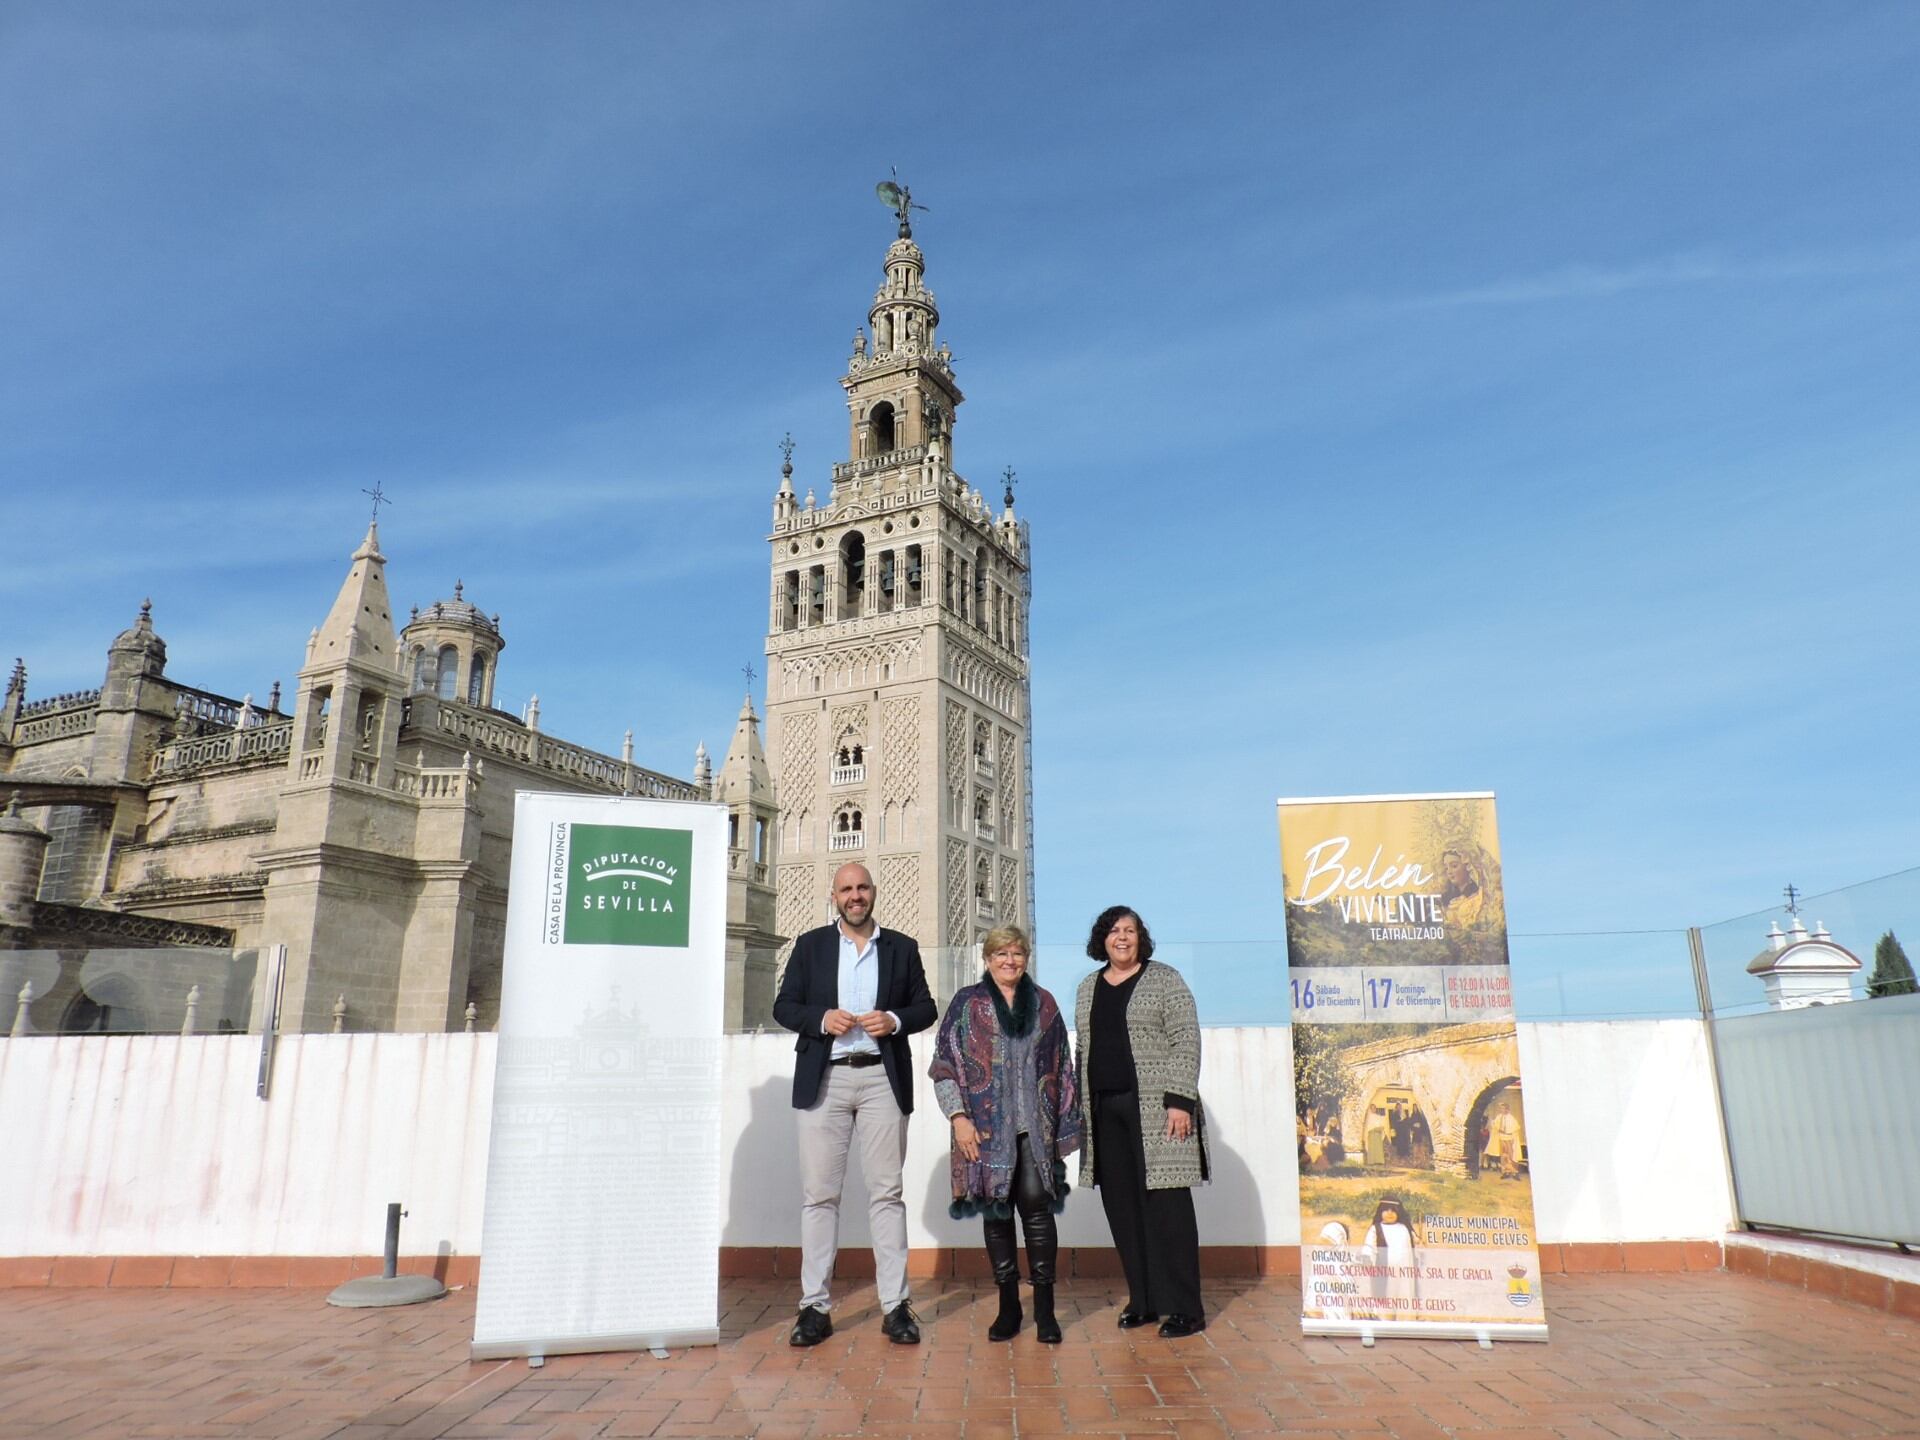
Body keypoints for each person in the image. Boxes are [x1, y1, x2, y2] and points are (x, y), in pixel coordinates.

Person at [771, 861, 937, 1347]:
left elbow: (925, 1006)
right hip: (826, 1078)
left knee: (887, 1194)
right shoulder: (811, 946)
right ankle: (814, 1307)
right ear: (835, 896)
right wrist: (822, 1019)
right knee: (819, 1196)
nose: (855, 895)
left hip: (882, 1080)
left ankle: (895, 1306)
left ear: (874, 892)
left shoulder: (902, 947)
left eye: (862, 887)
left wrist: (894, 1019)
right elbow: (784, 1006)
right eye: (846, 889)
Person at [928, 925, 1080, 1343]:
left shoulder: (1044, 1004)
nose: (1009, 960)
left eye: (1016, 953)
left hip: (1035, 1126)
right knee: (997, 1213)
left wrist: (1062, 1124)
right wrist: (958, 1117)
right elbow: (944, 1063)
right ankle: (1009, 1306)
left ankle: (1045, 1310)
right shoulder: (967, 1004)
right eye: (1000, 954)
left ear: (1026, 958)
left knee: (1036, 1210)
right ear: (987, 959)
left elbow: (1062, 1066)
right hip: (983, 1128)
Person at [1074, 905, 1209, 1338]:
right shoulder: (1087, 986)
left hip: (1157, 1110)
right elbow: (1084, 1051)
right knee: (1123, 1208)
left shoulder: (1165, 979)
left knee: (1168, 1209)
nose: (1123, 938)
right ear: (1103, 939)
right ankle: (1144, 1301)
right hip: (1104, 1110)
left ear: (1140, 938)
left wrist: (1179, 1101)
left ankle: (1186, 1308)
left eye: (1130, 930)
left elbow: (1186, 1037)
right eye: (1114, 931)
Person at [1366, 1198, 1419, 1317]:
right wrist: (1367, 1258)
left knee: (1404, 1299)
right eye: (1386, 1210)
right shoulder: (1376, 1229)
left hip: (1404, 1275)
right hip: (1385, 1275)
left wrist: (1420, 1243)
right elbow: (1369, 1247)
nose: (1389, 1213)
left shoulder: (1405, 1228)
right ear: (1380, 1212)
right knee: (1385, 1302)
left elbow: (1417, 1245)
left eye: (1393, 1210)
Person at [1493, 1100, 1523, 1179]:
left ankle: (1515, 1172)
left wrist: (1507, 1132)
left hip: (1509, 1137)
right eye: (1501, 1109)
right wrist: (1498, 1129)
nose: (1502, 1110)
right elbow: (1495, 1124)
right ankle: (1505, 1171)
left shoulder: (1511, 1118)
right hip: (1501, 1137)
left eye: (1504, 1109)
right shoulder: (1499, 1117)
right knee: (1503, 1155)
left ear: (1507, 1110)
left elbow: (1514, 1129)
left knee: (1511, 1154)